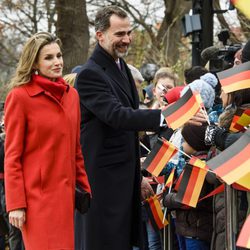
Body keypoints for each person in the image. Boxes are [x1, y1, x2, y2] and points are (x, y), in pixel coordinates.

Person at [4, 32, 91, 250]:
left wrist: (84, 187)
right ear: (34, 63)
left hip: (66, 197)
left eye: (59, 55)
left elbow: (75, 149)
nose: (57, 62)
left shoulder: (72, 96)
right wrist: (15, 204)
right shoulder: (19, 97)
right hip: (36, 202)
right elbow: (12, 155)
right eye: (49, 57)